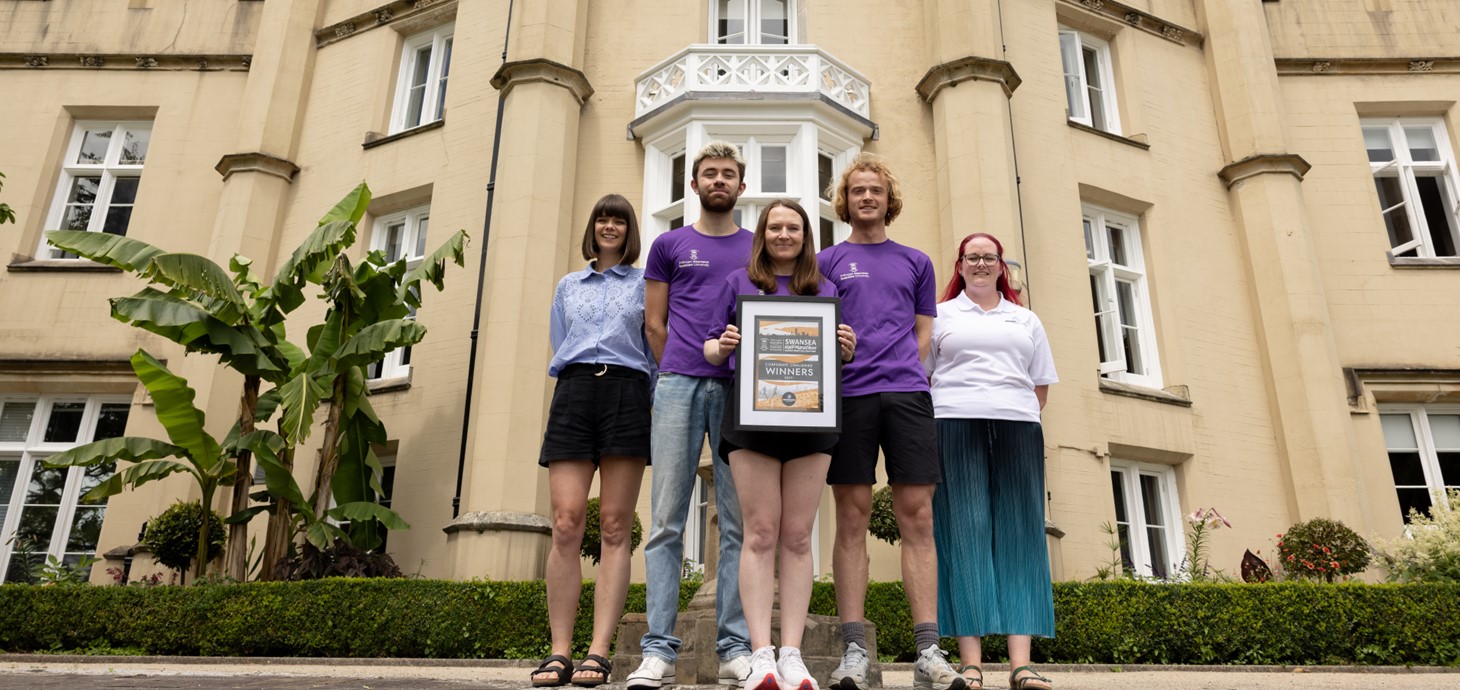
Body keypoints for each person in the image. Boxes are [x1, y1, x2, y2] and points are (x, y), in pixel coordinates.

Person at [816, 154, 964, 690]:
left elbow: (924, 334)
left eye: (875, 189)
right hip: (849, 396)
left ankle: (928, 653)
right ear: (846, 201)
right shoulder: (827, 260)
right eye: (857, 190)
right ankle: (854, 650)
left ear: (888, 198)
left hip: (906, 395)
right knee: (851, 516)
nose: (867, 197)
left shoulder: (916, 261)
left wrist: (905, 369)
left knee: (917, 515)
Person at [703, 200, 857, 690]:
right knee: (760, 533)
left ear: (805, 235)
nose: (784, 234)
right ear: (763, 234)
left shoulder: (827, 289)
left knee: (797, 536)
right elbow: (708, 347)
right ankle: (760, 654)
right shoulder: (738, 283)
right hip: (752, 419)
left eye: (793, 227)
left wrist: (845, 350)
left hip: (812, 420)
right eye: (776, 226)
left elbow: (836, 356)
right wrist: (723, 346)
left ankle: (792, 654)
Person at [628, 141, 754, 690]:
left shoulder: (756, 247)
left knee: (738, 522)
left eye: (728, 174)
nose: (719, 180)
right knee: (665, 520)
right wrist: (675, 371)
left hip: (740, 391)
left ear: (741, 187)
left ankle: (733, 646)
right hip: (679, 384)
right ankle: (658, 651)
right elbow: (654, 323)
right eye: (710, 173)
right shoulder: (668, 244)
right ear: (695, 184)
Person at [531, 194, 655, 688]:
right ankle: (559, 651)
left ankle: (598, 652)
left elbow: (654, 345)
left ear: (628, 231)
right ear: (593, 226)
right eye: (602, 218)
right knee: (565, 522)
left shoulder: (646, 284)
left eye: (618, 220)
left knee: (614, 524)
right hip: (575, 390)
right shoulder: (567, 285)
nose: (609, 226)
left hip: (627, 391)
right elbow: (560, 340)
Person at [925, 232, 1058, 690]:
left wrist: (1010, 408)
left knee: (1022, 535)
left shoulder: (1026, 319)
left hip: (1018, 425)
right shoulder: (940, 316)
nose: (981, 263)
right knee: (964, 533)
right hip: (953, 423)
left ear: (1001, 266)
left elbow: (1039, 386)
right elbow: (922, 376)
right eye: (972, 257)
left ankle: (1021, 666)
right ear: (960, 266)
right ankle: (972, 665)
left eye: (989, 257)